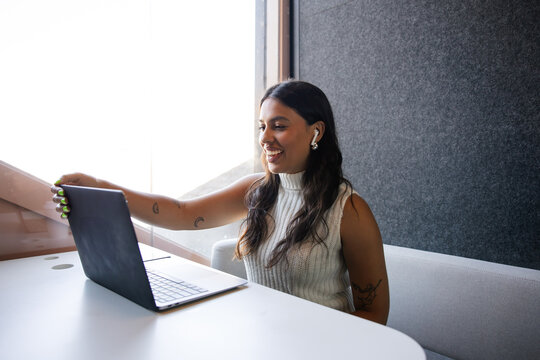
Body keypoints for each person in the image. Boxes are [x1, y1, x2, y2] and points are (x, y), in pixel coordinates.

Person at [51, 80, 390, 325]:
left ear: (316, 132)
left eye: (279, 126)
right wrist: (100, 187)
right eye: (262, 127)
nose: (265, 138)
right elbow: (182, 213)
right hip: (264, 339)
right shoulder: (257, 190)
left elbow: (374, 314)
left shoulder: (350, 210)